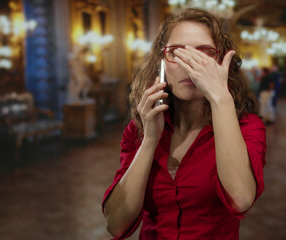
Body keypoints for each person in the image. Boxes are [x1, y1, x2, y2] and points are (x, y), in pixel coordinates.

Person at [102, 8, 266, 240]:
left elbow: (241, 200)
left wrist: (220, 97)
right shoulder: (140, 129)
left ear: (221, 62)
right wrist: (150, 140)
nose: (189, 65)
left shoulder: (247, 126)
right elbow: (116, 224)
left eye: (204, 53)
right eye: (176, 53)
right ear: (162, 63)